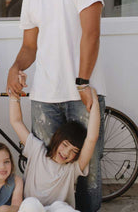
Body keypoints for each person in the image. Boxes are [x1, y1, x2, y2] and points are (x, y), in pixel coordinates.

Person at [6, 0, 106, 211]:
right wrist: (15, 67)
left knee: (89, 170)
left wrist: (83, 82)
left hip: (82, 91)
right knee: (48, 164)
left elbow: (92, 33)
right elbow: (29, 47)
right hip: (44, 96)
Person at [9, 76, 100, 211]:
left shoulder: (73, 168)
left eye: (74, 151)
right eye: (65, 145)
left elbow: (92, 138)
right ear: (57, 139)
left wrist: (95, 102)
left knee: (62, 208)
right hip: (33, 209)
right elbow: (16, 121)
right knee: (30, 203)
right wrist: (15, 95)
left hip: (58, 209)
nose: (66, 153)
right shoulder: (36, 150)